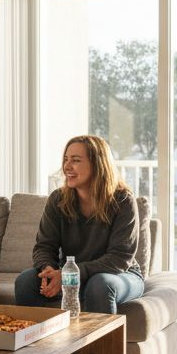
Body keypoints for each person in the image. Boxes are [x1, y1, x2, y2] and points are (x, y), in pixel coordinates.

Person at [15, 135, 144, 315]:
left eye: (75, 160)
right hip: (71, 275)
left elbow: (119, 259)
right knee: (25, 281)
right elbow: (44, 246)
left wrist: (68, 275)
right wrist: (48, 270)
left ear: (97, 164)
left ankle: (101, 344)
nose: (67, 166)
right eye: (66, 160)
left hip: (120, 275)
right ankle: (32, 341)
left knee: (99, 284)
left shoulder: (123, 200)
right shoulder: (57, 199)